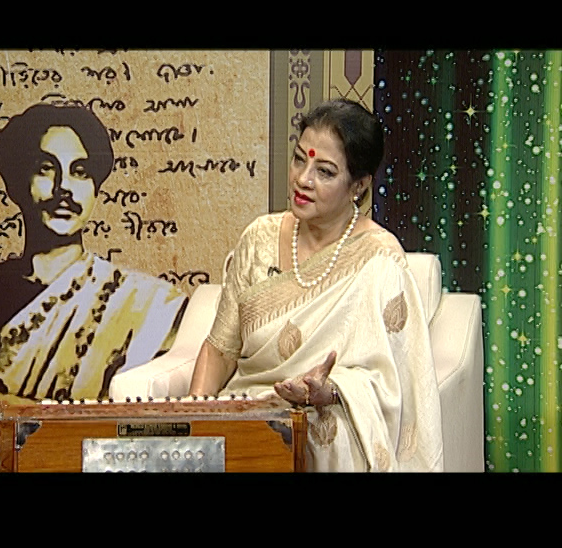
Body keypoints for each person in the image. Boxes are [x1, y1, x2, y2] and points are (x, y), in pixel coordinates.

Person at [0, 103, 188, 472]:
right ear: (15, 183)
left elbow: (161, 434)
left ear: (95, 188)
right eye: (45, 169)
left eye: (80, 172)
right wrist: (45, 446)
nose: (64, 188)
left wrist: (5, 416)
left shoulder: (149, 305)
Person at [188, 98, 444, 472]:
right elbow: (220, 350)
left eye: (324, 172)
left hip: (327, 416)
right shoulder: (259, 238)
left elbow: (393, 382)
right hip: (250, 412)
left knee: (327, 431)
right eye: (298, 159)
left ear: (358, 185)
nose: (303, 179)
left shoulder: (380, 259)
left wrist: (329, 392)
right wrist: (194, 420)